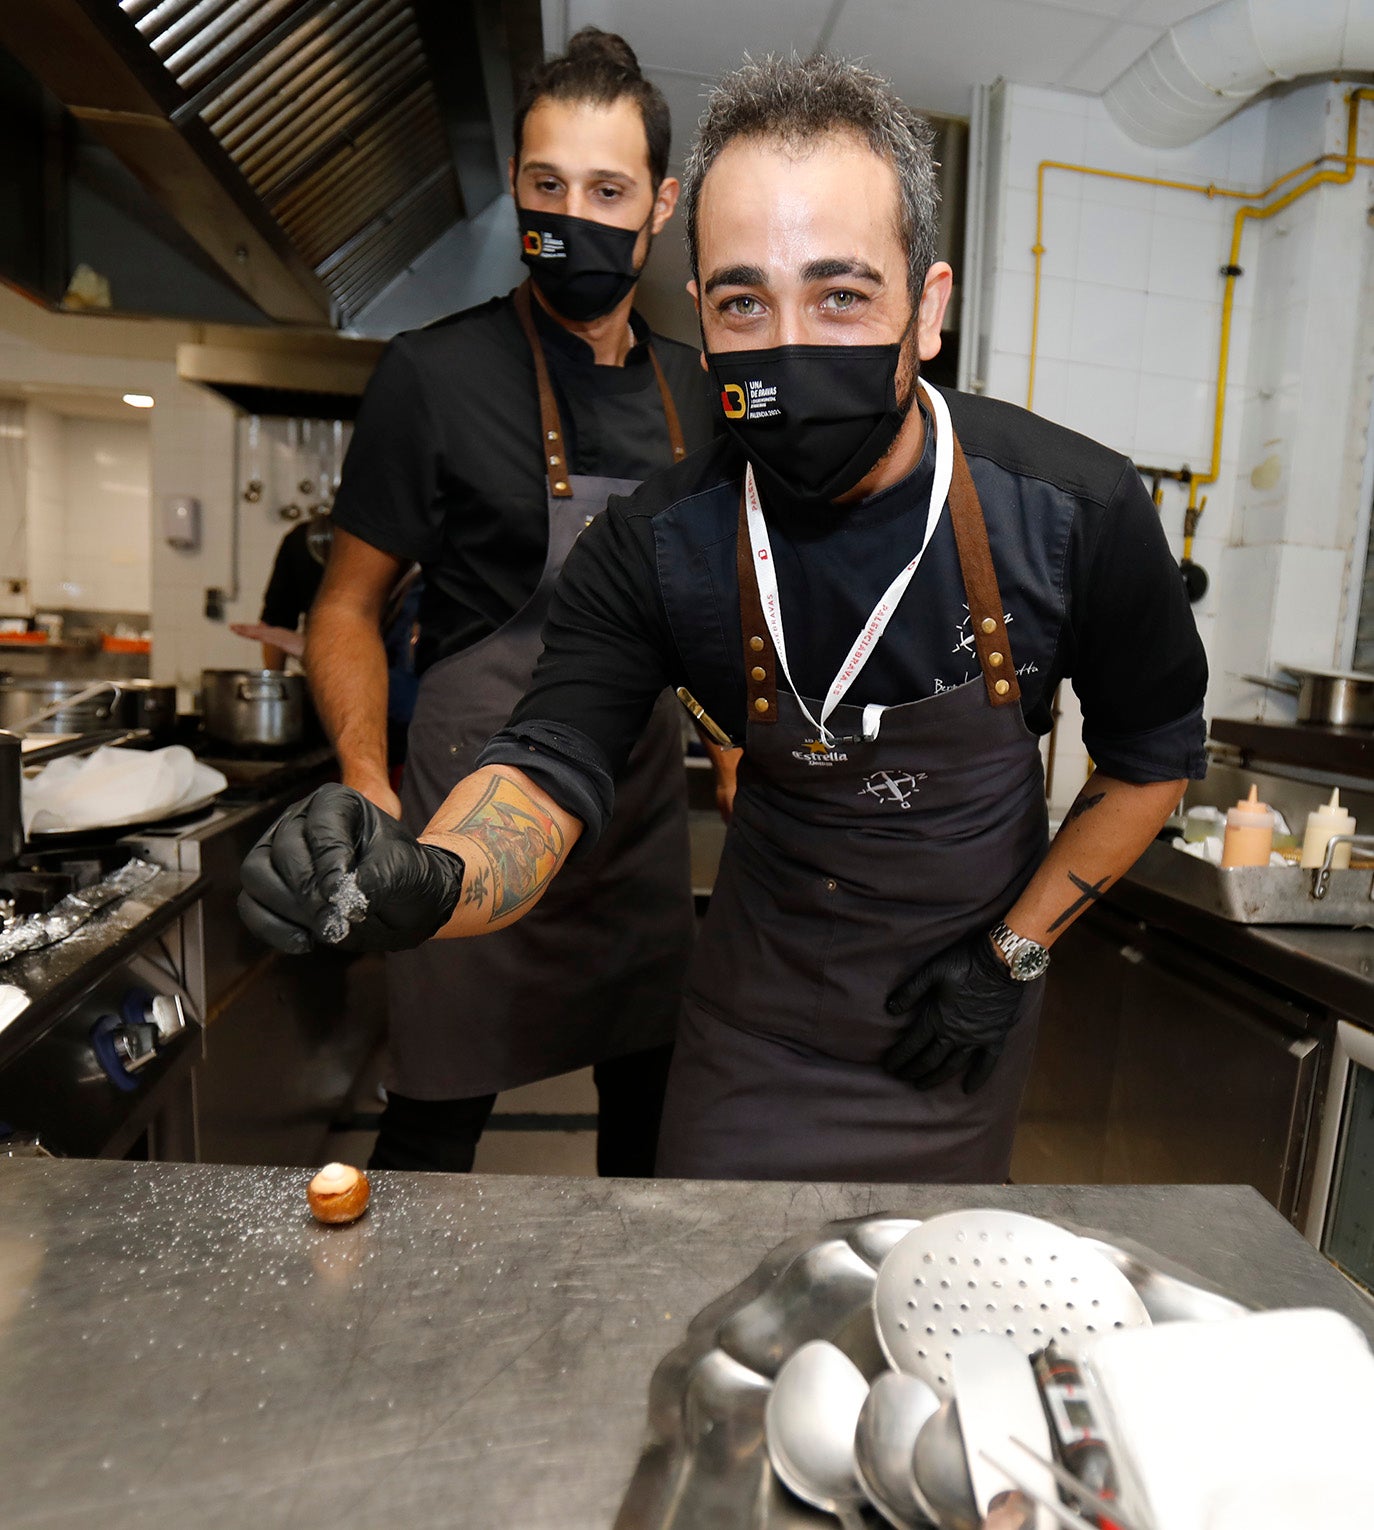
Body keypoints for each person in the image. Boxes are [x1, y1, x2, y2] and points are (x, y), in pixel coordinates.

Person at [240, 55, 1207, 1184]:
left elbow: (1149, 765)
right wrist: (430, 879)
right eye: (748, 301)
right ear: (702, 319)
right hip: (753, 1030)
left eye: (841, 295)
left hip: (961, 1028)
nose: (792, 344)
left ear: (927, 308)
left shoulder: (1072, 514)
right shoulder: (661, 546)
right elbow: (548, 768)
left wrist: (1015, 952)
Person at [298, 28, 718, 1175]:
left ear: (662, 204)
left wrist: (753, 776)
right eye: (547, 186)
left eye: (608, 190)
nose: (572, 215)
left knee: (652, 1128)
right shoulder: (432, 377)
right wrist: (369, 781)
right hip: (466, 803)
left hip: (633, 825)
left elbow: (737, 620)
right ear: (516, 189)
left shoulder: (700, 395)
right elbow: (343, 608)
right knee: (434, 1125)